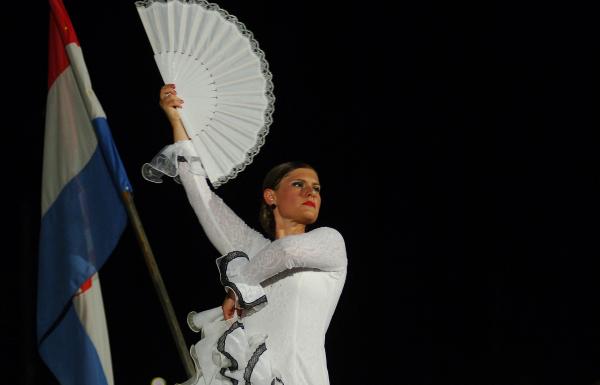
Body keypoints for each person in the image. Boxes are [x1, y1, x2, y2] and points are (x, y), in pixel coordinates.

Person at [142, 83, 348, 385]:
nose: (311, 192)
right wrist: (176, 120)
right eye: (298, 184)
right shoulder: (251, 248)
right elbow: (204, 200)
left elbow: (288, 253)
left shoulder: (330, 243)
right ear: (271, 196)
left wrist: (239, 287)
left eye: (316, 188)